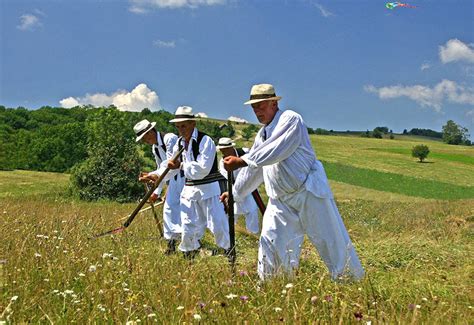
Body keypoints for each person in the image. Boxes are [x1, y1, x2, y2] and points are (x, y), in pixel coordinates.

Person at [221, 84, 364, 281]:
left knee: (331, 241)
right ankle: (274, 287)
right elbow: (254, 171)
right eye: (254, 107)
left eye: (261, 105)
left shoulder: (290, 119)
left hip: (308, 191)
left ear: (273, 102)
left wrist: (243, 160)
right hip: (280, 200)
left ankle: (351, 283)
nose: (257, 111)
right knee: (271, 242)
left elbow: (276, 150)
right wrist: (235, 194)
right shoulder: (262, 135)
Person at [167, 106, 230, 259]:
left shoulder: (205, 141)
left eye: (183, 125)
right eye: (177, 126)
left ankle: (228, 250)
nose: (180, 129)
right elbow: (170, 164)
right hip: (189, 189)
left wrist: (181, 165)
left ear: (193, 123)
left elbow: (203, 169)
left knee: (217, 224)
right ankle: (189, 253)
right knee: (188, 224)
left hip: (209, 189)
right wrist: (155, 176)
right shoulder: (179, 144)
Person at [134, 119, 184, 254]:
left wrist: (152, 175)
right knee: (168, 210)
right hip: (173, 180)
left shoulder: (169, 139)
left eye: (144, 137)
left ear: (150, 132)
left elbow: (170, 164)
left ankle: (191, 243)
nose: (145, 141)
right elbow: (160, 168)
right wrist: (156, 192)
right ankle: (172, 244)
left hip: (185, 177)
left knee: (185, 210)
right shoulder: (155, 147)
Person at [217, 137, 260, 234]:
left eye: (225, 150)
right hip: (233, 188)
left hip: (248, 187)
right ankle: (231, 233)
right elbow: (228, 178)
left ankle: (253, 234)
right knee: (231, 213)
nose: (223, 152)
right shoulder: (222, 162)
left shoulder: (244, 152)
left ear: (231, 147)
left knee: (252, 210)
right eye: (221, 150)